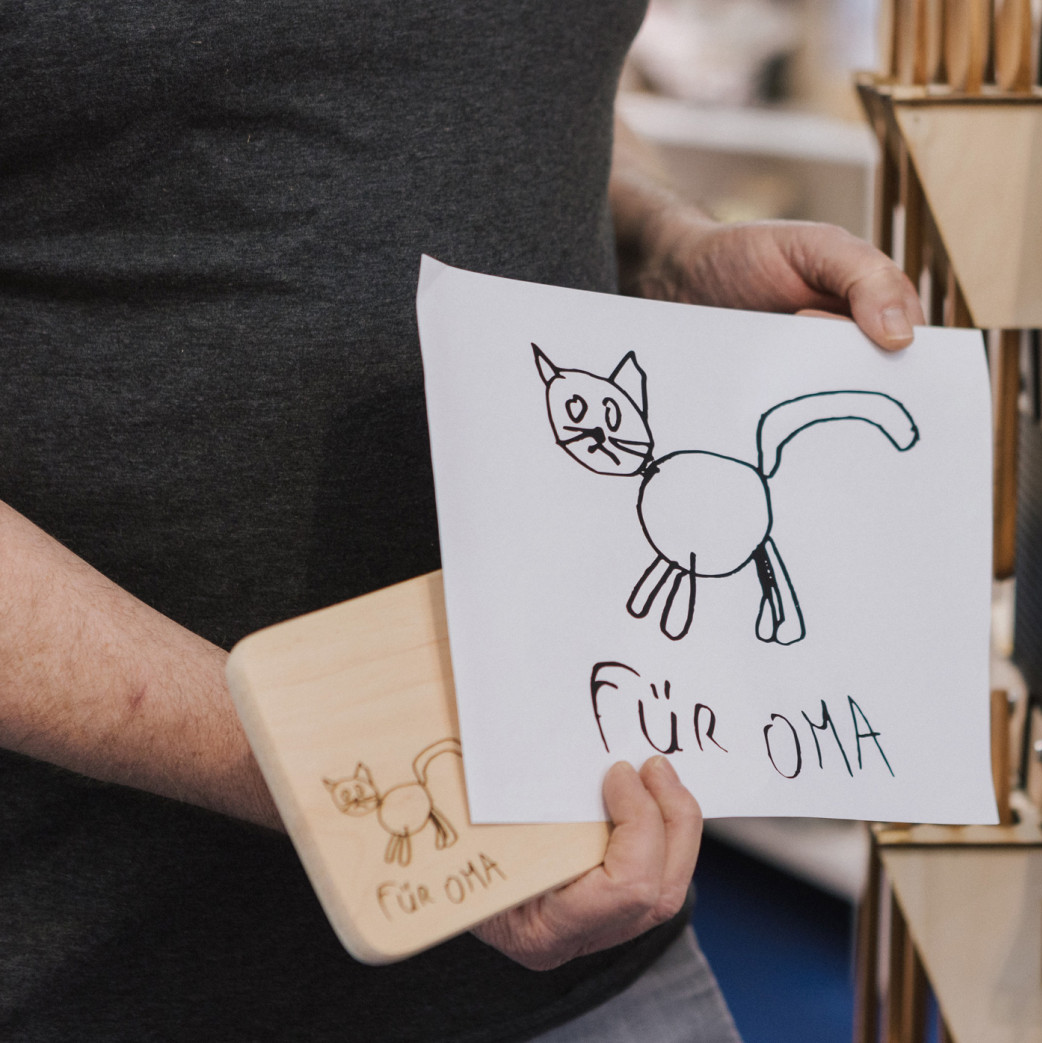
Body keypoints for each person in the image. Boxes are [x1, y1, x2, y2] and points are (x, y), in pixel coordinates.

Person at [0, 2, 922, 1039]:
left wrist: (658, 239)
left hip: (590, 946)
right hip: (103, 965)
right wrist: (347, 773)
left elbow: (501, 87)